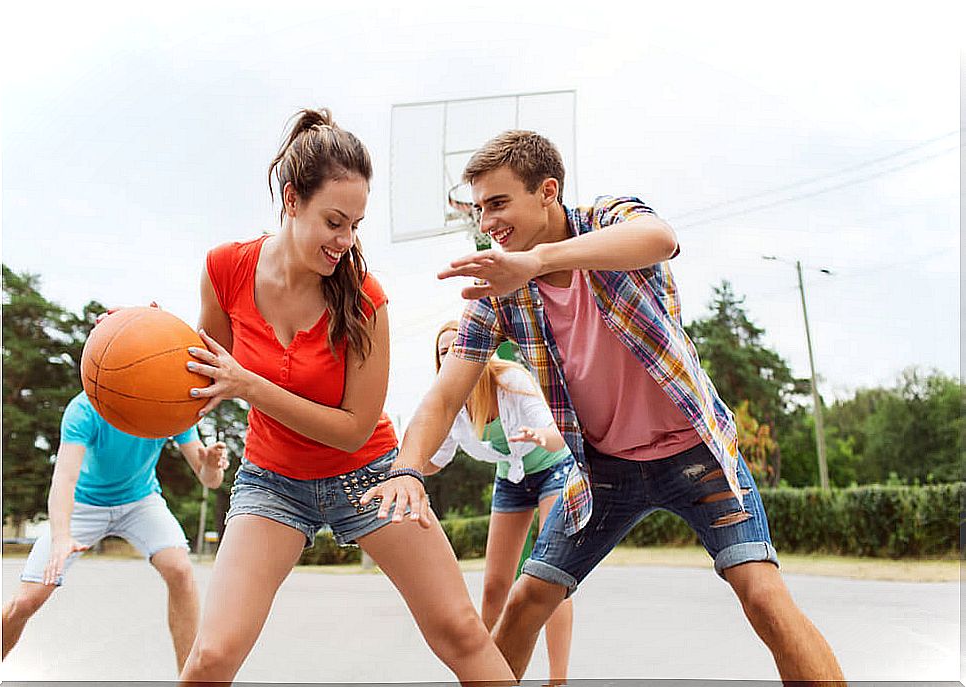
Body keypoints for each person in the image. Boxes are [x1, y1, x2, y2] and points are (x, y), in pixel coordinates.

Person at [362, 130, 846, 683]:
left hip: (696, 452)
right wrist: (407, 469)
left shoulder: (607, 220)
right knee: (525, 603)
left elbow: (659, 238)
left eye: (498, 204)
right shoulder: (500, 289)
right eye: (479, 210)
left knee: (763, 598)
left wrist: (539, 259)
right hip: (603, 470)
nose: (487, 222)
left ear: (547, 191)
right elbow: (447, 393)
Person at [177, 108, 516, 685]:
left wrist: (251, 385)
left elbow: (353, 428)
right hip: (272, 482)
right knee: (212, 655)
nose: (346, 241)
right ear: (291, 200)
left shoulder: (363, 299)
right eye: (335, 221)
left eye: (355, 225)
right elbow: (206, 371)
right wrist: (136, 346)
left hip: (370, 477)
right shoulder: (224, 269)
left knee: (461, 631)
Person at [1, 390, 228, 673]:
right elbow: (65, 477)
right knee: (27, 600)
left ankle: (190, 678)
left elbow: (210, 480)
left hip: (140, 500)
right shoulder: (86, 407)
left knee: (180, 569)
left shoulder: (171, 403)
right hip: (83, 504)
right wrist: (61, 537)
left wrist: (210, 466)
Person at [427, 320, 573, 683]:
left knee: (552, 576)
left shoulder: (512, 380)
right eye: (443, 352)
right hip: (512, 479)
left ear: (476, 348)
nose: (450, 357)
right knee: (495, 585)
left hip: (554, 468)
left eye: (456, 347)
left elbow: (557, 436)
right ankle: (490, 676)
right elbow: (434, 458)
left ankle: (558, 680)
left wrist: (540, 435)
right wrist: (397, 472)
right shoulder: (449, 400)